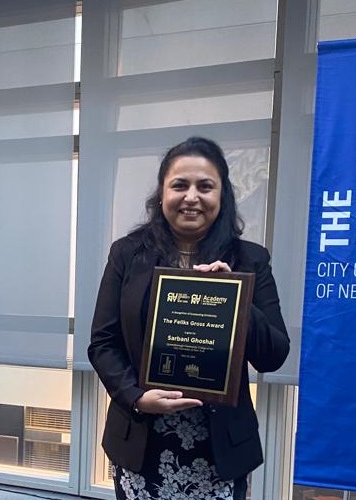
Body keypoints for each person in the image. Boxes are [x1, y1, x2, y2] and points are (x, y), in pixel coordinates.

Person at [88, 136, 290, 500]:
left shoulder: (250, 261)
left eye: (205, 186)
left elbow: (273, 356)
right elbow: (103, 343)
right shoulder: (127, 254)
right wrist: (135, 396)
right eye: (179, 185)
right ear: (162, 194)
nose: (191, 197)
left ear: (222, 196)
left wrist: (237, 298)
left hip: (219, 449)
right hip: (142, 439)